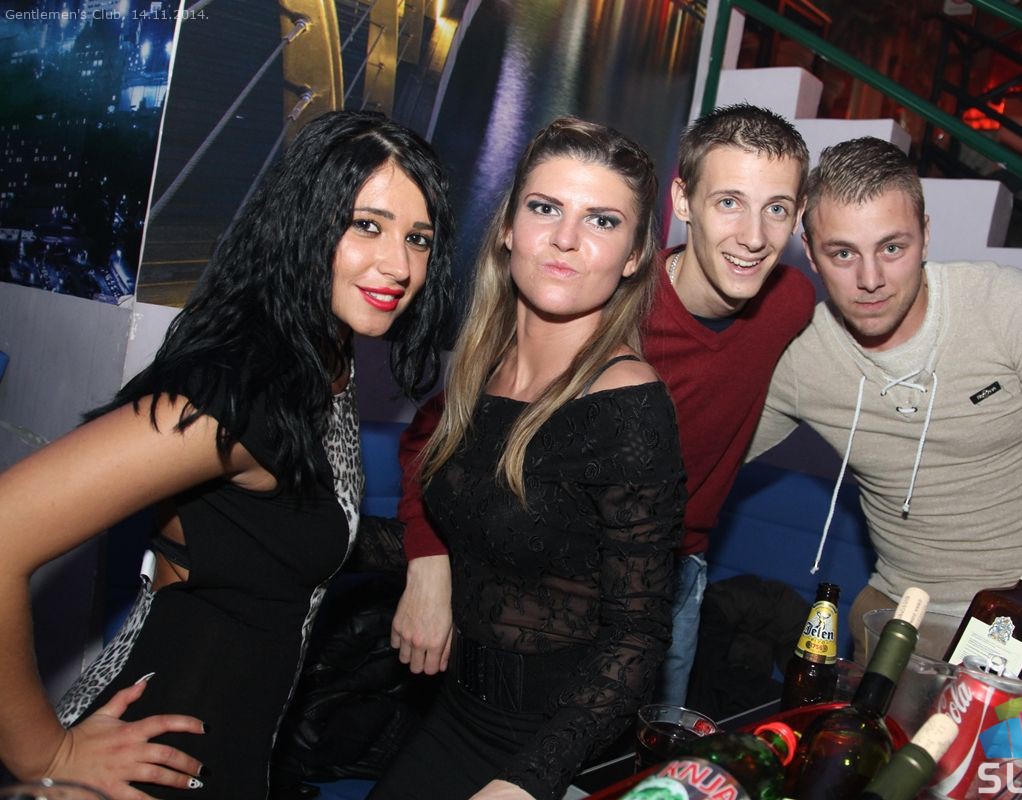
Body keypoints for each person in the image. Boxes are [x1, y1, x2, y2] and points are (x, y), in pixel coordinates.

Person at [0, 110, 456, 799]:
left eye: (417, 238)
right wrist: (46, 752)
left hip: (233, 753)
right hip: (158, 766)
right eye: (367, 225)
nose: (399, 265)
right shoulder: (242, 393)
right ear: (306, 222)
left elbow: (280, 532)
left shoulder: (323, 357)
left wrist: (429, 557)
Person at [393, 103, 816, 708]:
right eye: (729, 202)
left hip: (677, 573)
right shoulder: (602, 306)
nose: (753, 236)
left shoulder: (791, 300)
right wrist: (427, 556)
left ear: (797, 217)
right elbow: (435, 434)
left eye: (775, 209)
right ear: (683, 201)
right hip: (551, 580)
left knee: (642, 751)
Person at [366, 117, 687, 800]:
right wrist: (298, 532)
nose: (566, 238)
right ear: (510, 228)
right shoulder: (483, 370)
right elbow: (482, 540)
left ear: (634, 256)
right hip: (455, 709)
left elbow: (636, 637)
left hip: (555, 743)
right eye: (545, 208)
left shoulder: (628, 407)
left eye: (602, 221)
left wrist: (526, 782)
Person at [747, 136, 1022, 668]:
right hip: (900, 616)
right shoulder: (801, 356)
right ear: (811, 254)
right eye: (843, 253)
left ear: (926, 237)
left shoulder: (1008, 308)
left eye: (892, 248)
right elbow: (708, 456)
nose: (870, 279)